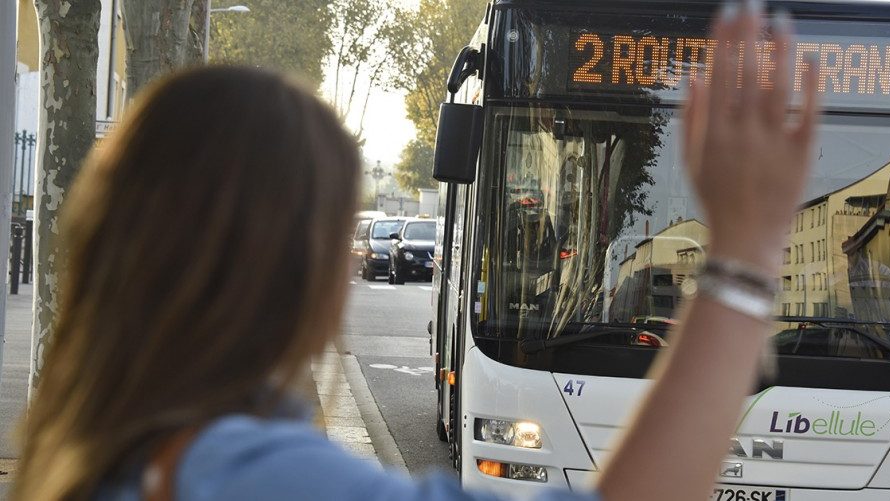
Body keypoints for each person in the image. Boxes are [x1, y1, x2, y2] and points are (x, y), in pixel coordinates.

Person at [12, 1, 818, 499]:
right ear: (279, 266)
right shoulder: (241, 471)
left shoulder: (86, 447)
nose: (350, 264)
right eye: (335, 237)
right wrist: (744, 256)